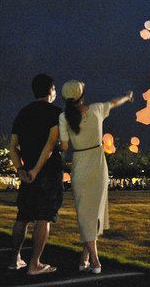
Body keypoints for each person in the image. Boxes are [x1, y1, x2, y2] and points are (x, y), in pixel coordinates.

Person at [59, 80, 132, 274]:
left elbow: (64, 147)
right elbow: (115, 103)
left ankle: (85, 257)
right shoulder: (97, 109)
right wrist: (127, 96)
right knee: (92, 212)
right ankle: (95, 259)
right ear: (82, 95)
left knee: (87, 212)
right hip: (98, 163)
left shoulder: (63, 117)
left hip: (80, 163)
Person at [8, 74, 63, 275]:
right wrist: (35, 171)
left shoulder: (23, 113)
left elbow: (13, 146)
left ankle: (15, 259)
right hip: (47, 172)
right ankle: (35, 263)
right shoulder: (56, 113)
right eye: (55, 89)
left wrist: (21, 170)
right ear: (51, 90)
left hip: (27, 172)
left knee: (22, 217)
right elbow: (51, 144)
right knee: (43, 217)